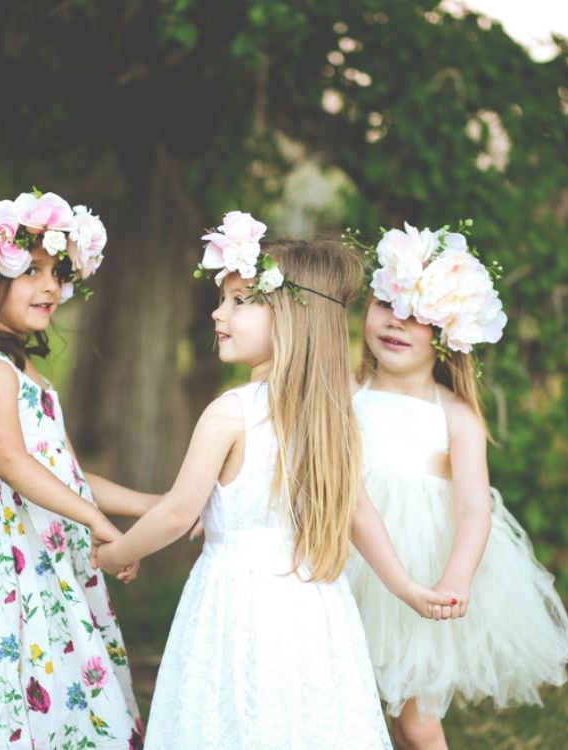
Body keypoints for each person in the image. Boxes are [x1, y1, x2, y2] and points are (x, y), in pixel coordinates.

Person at [95, 212, 456, 749]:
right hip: (315, 610)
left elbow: (177, 512)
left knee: (234, 718)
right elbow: (360, 514)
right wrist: (404, 586)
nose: (219, 313)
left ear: (290, 317)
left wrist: (112, 554)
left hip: (235, 606)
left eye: (241, 301)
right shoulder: (332, 416)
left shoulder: (231, 412)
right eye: (222, 300)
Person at [0, 191, 145, 750]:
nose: (51, 286)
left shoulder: (26, 371)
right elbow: (14, 463)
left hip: (41, 555)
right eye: (33, 271)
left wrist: (157, 506)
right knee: (7, 690)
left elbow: (68, 474)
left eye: (57, 272)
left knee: (61, 684)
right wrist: (97, 521)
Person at [349, 222, 568, 750]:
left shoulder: (455, 415)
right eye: (387, 304)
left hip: (420, 568)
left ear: (449, 334)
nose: (396, 323)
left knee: (414, 721)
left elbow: (476, 507)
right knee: (350, 703)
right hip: (344, 558)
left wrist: (455, 577)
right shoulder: (344, 391)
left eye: (418, 316)